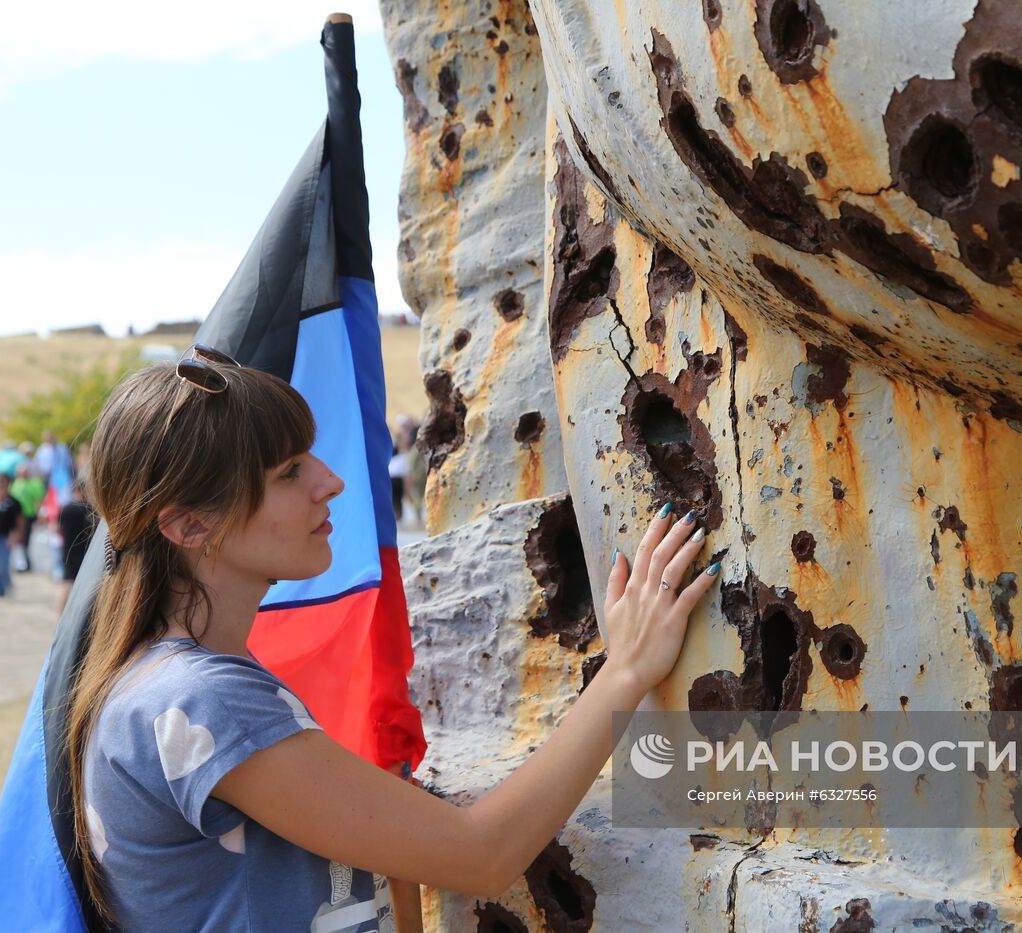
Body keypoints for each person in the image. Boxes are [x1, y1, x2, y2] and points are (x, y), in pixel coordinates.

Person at [66, 351, 719, 930]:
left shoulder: (158, 681)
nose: (331, 480)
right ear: (188, 524)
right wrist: (627, 669)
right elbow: (481, 855)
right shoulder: (203, 697)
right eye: (290, 471)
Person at [54, 475, 98, 618]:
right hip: (86, 551)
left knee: (66, 584)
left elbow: (57, 529)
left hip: (68, 550)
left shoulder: (66, 508)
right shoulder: (91, 510)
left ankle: (60, 617)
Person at [9, 462, 46, 573]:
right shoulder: (15, 484)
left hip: (28, 515)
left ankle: (25, 562)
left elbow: (39, 500)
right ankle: (21, 562)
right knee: (17, 539)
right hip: (16, 516)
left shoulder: (34, 484)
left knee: (25, 540)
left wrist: (39, 513)